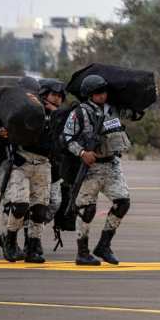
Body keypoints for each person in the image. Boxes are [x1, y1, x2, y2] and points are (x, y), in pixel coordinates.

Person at [62, 74, 131, 266]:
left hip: (112, 165)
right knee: (86, 209)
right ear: (89, 94)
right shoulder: (80, 112)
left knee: (123, 202)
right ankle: (82, 252)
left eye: (104, 91)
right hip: (90, 167)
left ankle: (104, 244)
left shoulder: (113, 109)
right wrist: (82, 152)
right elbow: (67, 137)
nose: (103, 95)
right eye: (98, 92)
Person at [0, 77, 65, 263]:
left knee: (40, 209)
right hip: (21, 163)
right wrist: (0, 130)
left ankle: (33, 245)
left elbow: (67, 133)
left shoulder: (58, 115)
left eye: (60, 96)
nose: (57, 99)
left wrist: (55, 113)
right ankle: (9, 240)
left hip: (43, 164)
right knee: (19, 204)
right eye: (53, 95)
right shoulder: (21, 112)